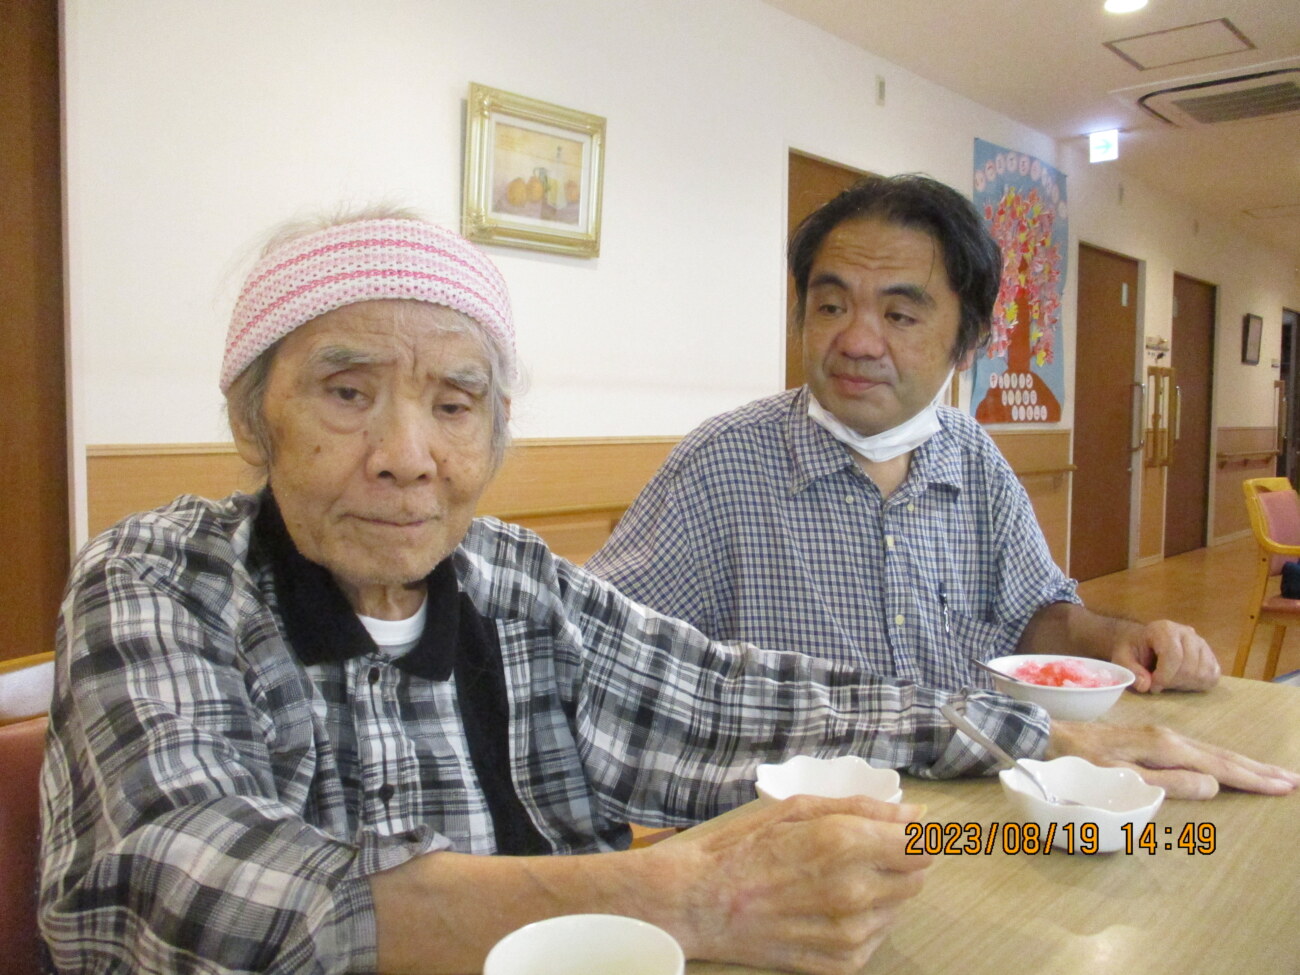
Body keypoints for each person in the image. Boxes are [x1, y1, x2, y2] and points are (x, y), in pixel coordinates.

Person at [40, 209, 1294, 975]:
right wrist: (679, 895)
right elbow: (193, 881)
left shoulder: (509, 581)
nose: (408, 454)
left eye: (455, 403)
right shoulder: (160, 576)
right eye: (346, 391)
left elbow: (723, 696)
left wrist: (1031, 733)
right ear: (251, 417)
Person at [589, 173, 1220, 699]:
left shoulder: (973, 457)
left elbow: (1036, 616)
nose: (858, 342)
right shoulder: (722, 464)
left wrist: (1118, 639)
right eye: (831, 307)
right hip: (794, 805)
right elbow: (597, 644)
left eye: (899, 315)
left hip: (966, 794)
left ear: (969, 343)